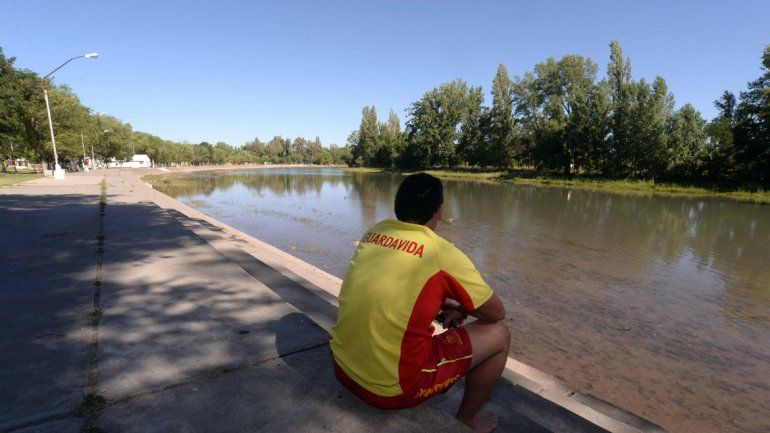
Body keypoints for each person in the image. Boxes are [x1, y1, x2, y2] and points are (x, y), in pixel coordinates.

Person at [330, 173, 510, 433]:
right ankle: (467, 420)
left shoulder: (375, 232)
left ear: (397, 205)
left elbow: (391, 291)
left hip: (343, 368)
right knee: (500, 335)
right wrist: (461, 306)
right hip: (393, 390)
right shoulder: (441, 251)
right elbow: (496, 313)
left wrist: (446, 303)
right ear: (439, 211)